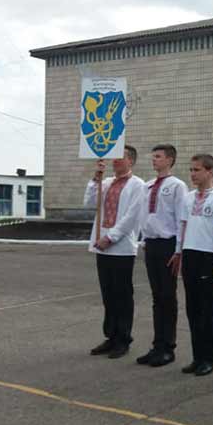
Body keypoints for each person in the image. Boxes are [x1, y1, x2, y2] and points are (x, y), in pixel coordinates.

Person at [84, 146, 146, 359]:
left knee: (122, 295)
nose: (116, 161)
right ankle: (110, 336)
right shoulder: (107, 182)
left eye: (121, 157)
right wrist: (96, 177)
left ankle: (123, 338)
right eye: (114, 157)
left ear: (131, 161)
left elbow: (131, 217)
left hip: (121, 247)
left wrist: (111, 237)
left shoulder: (138, 185)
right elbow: (90, 202)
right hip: (102, 246)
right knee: (108, 294)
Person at [169, 154, 213, 376]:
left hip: (208, 256)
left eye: (197, 170)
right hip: (190, 254)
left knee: (207, 309)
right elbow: (182, 226)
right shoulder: (188, 198)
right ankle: (197, 356)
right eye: (191, 170)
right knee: (192, 308)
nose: (193, 174)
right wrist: (179, 252)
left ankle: (209, 358)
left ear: (209, 172)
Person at [137, 144, 188, 367]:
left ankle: (168, 347)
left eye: (158, 156)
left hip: (168, 244)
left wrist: (178, 249)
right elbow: (144, 215)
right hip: (152, 243)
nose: (154, 160)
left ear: (169, 160)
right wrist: (144, 239)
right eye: (153, 156)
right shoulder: (148, 185)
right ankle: (157, 345)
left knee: (167, 295)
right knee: (157, 296)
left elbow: (180, 218)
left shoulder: (177, 186)